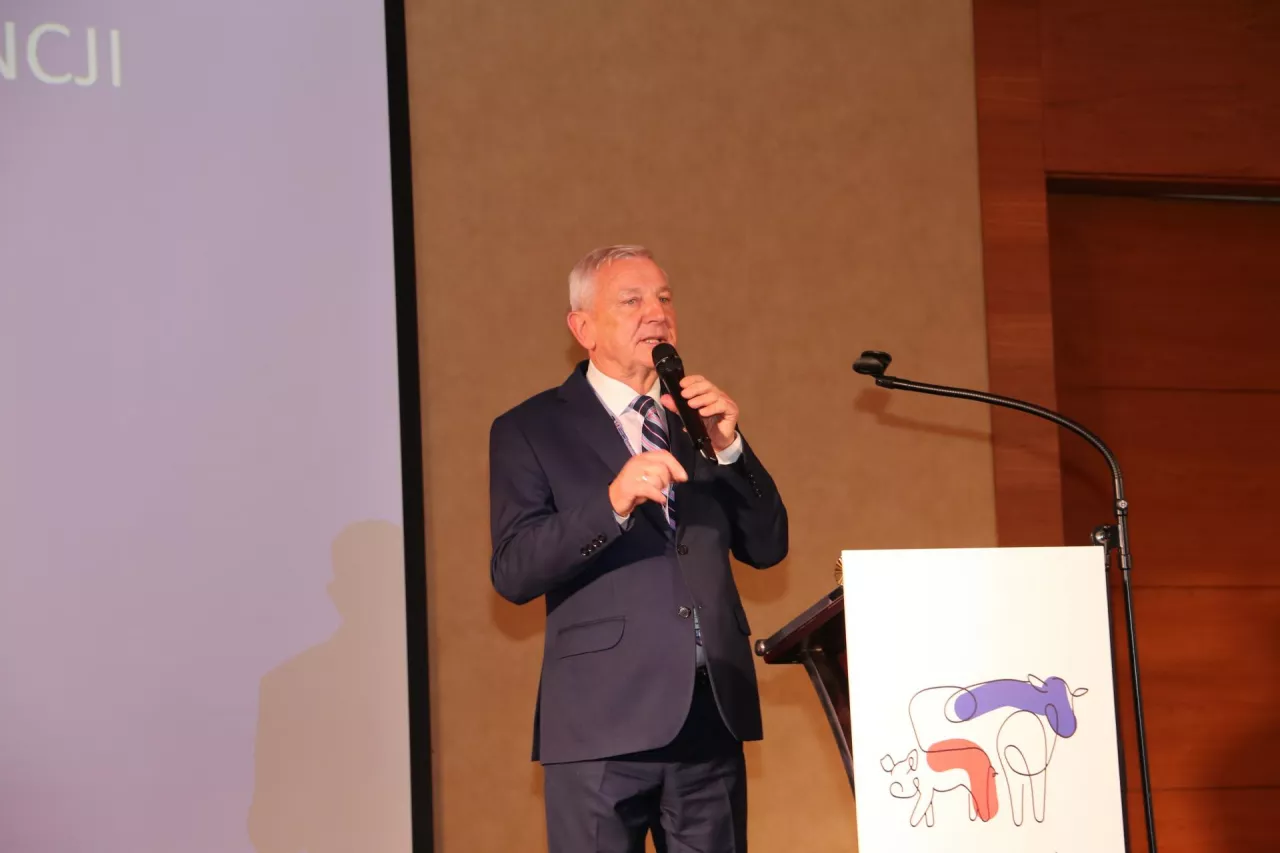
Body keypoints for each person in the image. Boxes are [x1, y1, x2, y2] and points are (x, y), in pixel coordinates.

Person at [488, 244, 788, 853]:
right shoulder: (530, 429)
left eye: (665, 298)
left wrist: (730, 450)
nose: (657, 313)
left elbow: (768, 545)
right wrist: (613, 503)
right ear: (583, 328)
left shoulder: (698, 421)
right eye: (632, 301)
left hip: (710, 718)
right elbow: (514, 570)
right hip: (599, 725)